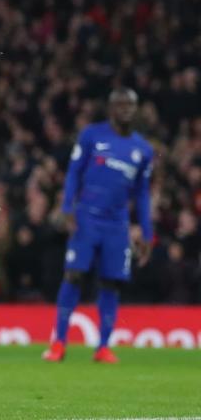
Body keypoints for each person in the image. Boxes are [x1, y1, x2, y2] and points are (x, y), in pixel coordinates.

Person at [43, 88, 154, 364]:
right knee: (74, 275)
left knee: (111, 282)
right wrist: (68, 207)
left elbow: (141, 194)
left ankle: (103, 346)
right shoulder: (92, 135)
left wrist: (147, 233)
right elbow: (73, 173)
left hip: (117, 225)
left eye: (131, 105)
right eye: (121, 104)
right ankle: (58, 342)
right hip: (87, 218)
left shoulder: (143, 150)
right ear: (111, 108)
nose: (126, 109)